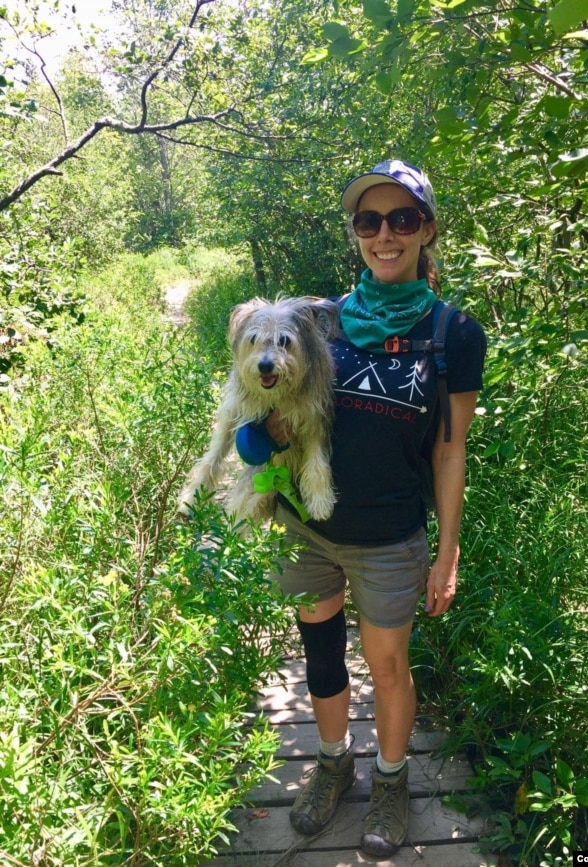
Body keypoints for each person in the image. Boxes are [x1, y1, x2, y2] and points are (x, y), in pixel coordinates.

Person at [238, 159, 486, 857]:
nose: (384, 234)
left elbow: (449, 450)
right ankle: (333, 760)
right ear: (355, 232)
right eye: (369, 220)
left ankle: (389, 778)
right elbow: (263, 413)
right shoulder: (319, 321)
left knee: (387, 665)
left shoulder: (453, 333)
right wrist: (259, 438)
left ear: (426, 229)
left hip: (390, 536)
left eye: (401, 219)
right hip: (307, 529)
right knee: (320, 655)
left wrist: (447, 551)